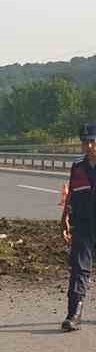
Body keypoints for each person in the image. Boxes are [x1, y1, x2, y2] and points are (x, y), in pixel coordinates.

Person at [60, 124, 96, 330]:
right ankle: (74, 313)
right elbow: (71, 193)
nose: (88, 145)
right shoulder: (77, 166)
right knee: (79, 269)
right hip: (82, 224)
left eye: (92, 140)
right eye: (85, 141)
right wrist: (64, 217)